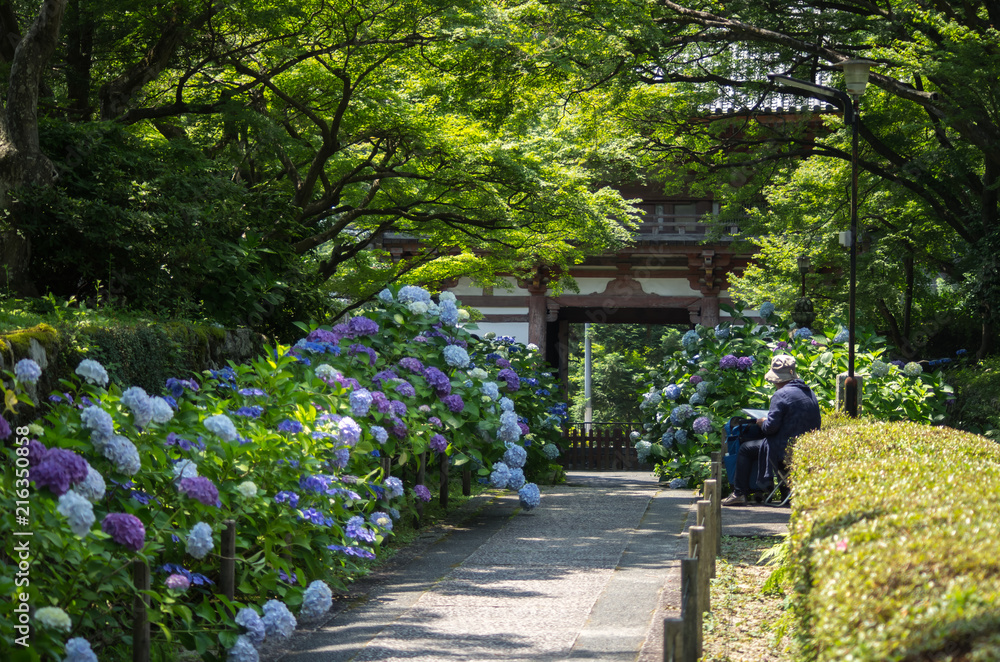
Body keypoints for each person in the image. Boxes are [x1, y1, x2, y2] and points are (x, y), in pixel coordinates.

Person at [722, 354, 821, 506]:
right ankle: (785, 492)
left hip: (786, 449)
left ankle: (739, 492)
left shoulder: (780, 395)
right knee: (770, 444)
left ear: (777, 379)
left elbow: (770, 429)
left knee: (745, 448)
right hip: (808, 447)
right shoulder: (809, 392)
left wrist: (762, 422)